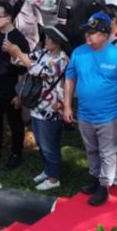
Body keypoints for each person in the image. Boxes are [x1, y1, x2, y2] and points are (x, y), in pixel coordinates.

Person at [64, 17, 117, 207]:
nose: (87, 36)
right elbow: (70, 79)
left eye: (91, 33)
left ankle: (104, 186)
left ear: (104, 35)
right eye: (87, 32)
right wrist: (67, 105)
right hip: (85, 114)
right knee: (91, 149)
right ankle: (95, 177)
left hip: (110, 115)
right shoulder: (78, 52)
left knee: (108, 153)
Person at [8, 27, 69, 192]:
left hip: (51, 109)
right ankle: (48, 170)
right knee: (41, 143)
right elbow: (24, 60)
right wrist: (15, 53)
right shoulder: (43, 53)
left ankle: (53, 178)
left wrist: (19, 53)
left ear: (57, 43)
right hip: (36, 106)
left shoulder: (62, 60)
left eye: (48, 39)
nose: (45, 41)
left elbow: (36, 70)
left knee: (49, 145)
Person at [0, 4, 30, 168]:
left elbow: (25, 70)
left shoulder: (18, 39)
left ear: (8, 18)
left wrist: (19, 93)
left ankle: (16, 153)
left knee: (15, 123)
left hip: (11, 89)